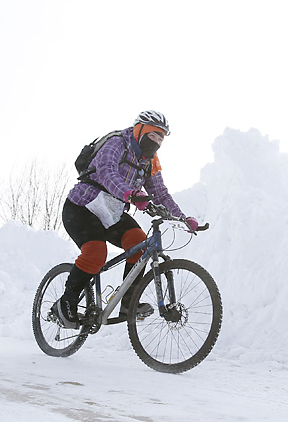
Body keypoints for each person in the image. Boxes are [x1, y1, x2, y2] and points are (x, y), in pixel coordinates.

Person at [52, 110, 198, 329]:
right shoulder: (117, 143)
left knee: (139, 244)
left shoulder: (150, 161)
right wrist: (130, 194)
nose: (157, 141)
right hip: (82, 206)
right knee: (95, 253)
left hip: (112, 212)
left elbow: (160, 193)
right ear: (140, 130)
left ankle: (129, 304)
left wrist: (182, 217)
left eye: (161, 138)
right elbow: (106, 172)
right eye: (154, 135)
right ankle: (66, 303)